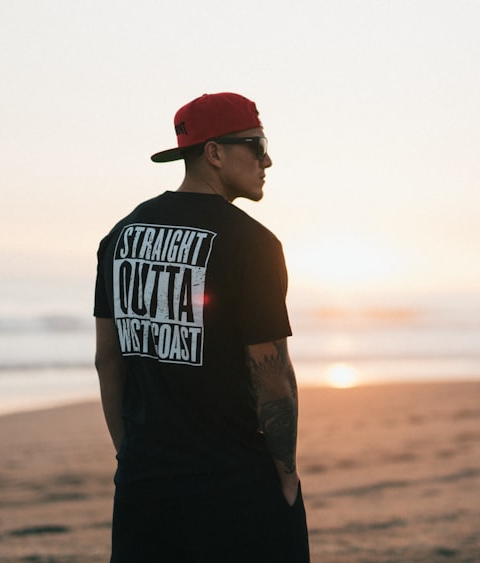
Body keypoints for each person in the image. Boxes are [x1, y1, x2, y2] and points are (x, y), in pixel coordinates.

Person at [94, 92, 309, 562]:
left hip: (143, 488)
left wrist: (129, 459)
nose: (267, 158)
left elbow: (107, 359)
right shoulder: (253, 243)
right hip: (234, 486)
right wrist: (287, 476)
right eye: (255, 144)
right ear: (214, 152)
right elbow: (272, 377)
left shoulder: (120, 236)